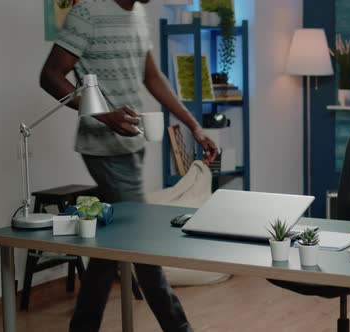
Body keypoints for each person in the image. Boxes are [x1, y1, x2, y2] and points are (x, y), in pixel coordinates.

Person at [40, 0, 217, 331]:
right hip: (104, 147)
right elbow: (50, 76)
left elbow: (151, 76)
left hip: (133, 143)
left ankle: (82, 325)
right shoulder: (87, 13)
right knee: (141, 242)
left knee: (113, 245)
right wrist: (104, 116)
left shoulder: (137, 14)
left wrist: (194, 126)